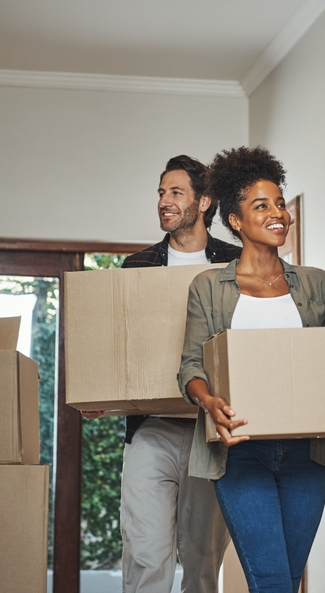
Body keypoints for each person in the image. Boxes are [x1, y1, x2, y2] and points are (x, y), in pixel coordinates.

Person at [178, 146, 325, 593]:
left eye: (280, 204)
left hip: (309, 453)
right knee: (271, 581)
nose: (278, 214)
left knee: (286, 579)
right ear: (235, 220)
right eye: (261, 205)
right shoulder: (208, 287)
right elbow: (191, 364)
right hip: (240, 450)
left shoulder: (316, 283)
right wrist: (208, 402)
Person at [116, 155, 240, 593]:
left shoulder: (237, 264)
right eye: (161, 193)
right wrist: (101, 396)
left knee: (202, 565)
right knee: (146, 556)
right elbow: (120, 347)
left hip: (211, 432)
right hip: (151, 429)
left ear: (203, 201)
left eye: (175, 192)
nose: (164, 201)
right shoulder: (138, 266)